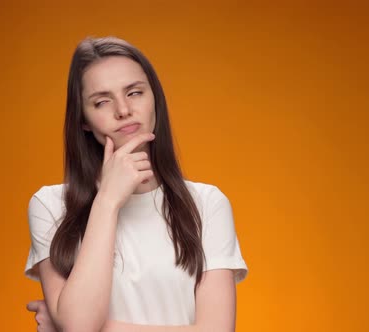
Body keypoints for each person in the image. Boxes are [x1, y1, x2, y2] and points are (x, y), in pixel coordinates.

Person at [24, 36, 249, 332]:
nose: (123, 110)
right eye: (102, 101)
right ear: (84, 120)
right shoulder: (50, 205)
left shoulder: (206, 203)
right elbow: (79, 326)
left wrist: (95, 327)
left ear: (154, 98)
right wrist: (107, 200)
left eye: (134, 93)